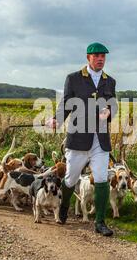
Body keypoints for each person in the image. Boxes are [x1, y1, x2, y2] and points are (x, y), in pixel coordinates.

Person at [47, 42, 118, 236]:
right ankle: (63, 207)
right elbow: (66, 105)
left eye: (103, 56)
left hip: (100, 139)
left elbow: (114, 105)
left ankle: (100, 222)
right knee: (70, 178)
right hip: (78, 138)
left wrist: (110, 112)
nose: (100, 59)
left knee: (102, 177)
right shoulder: (74, 79)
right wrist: (56, 120)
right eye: (96, 56)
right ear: (88, 58)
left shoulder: (110, 81)